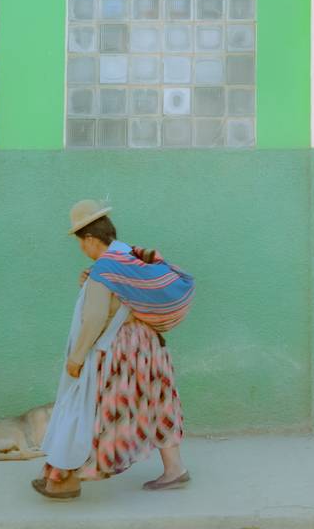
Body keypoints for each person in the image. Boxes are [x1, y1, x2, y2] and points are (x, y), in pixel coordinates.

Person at [32, 199, 195, 501]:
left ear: (91, 239)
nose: (81, 249)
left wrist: (76, 358)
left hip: (124, 352)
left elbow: (94, 319)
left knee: (101, 409)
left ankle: (67, 475)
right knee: (159, 401)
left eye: (81, 243)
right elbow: (127, 298)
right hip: (151, 346)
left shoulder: (105, 268)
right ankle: (175, 469)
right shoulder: (130, 255)